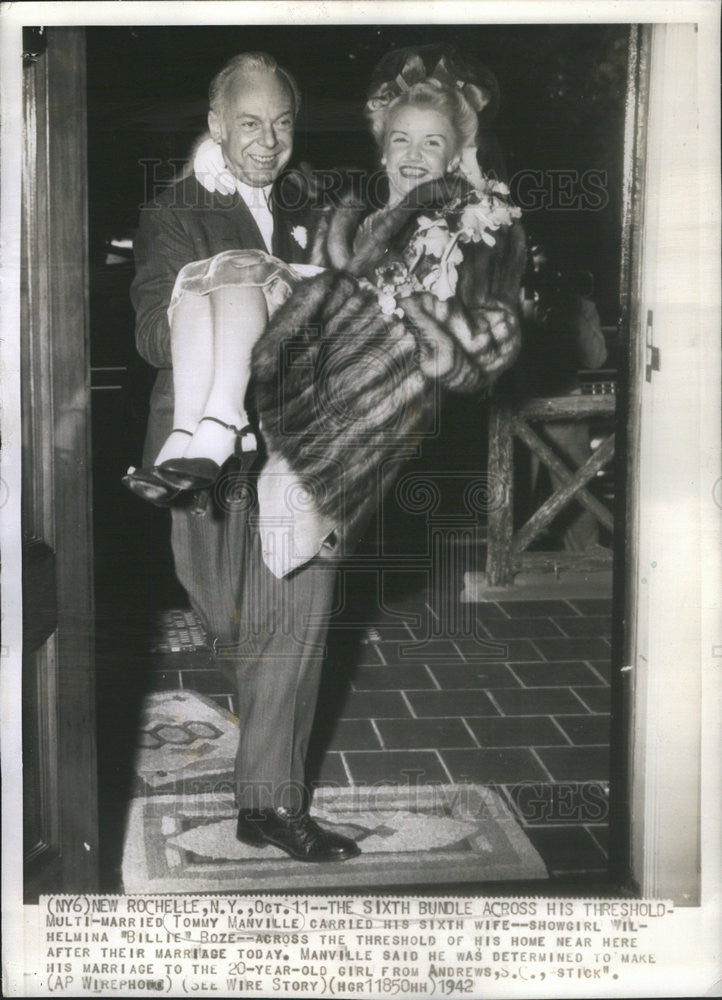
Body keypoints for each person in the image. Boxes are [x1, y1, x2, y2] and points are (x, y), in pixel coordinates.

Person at [129, 46, 524, 863]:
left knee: (295, 624)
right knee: (230, 626)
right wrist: (235, 300)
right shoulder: (173, 213)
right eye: (249, 124)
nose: (268, 141)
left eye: (281, 123)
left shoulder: (322, 196)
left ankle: (269, 803)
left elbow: (401, 231)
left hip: (309, 449)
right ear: (216, 125)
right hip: (205, 448)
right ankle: (262, 747)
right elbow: (146, 336)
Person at [518, 242, 609, 550]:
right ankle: (512, 553)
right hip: (520, 406)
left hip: (566, 406)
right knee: (518, 491)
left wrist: (575, 310)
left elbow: (596, 359)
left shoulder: (581, 307)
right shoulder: (519, 303)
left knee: (576, 485)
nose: (545, 277)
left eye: (551, 270)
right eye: (537, 269)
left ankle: (585, 554)